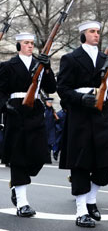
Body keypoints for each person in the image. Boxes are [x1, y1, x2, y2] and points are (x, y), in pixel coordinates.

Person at [57, 21, 108, 228]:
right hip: (80, 115)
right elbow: (62, 88)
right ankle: (81, 210)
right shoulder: (70, 58)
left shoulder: (106, 58)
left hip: (101, 114)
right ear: (83, 35)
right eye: (92, 32)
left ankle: (91, 198)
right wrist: (79, 99)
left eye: (97, 32)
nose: (96, 35)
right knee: (81, 163)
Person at [0, 32, 56, 217]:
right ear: (18, 46)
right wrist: (4, 105)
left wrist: (47, 68)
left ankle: (18, 187)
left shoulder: (39, 64)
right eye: (26, 43)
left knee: (39, 155)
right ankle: (22, 201)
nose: (30, 46)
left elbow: (51, 88)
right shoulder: (8, 66)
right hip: (16, 110)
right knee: (18, 158)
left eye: (32, 43)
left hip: (35, 110)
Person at [44, 97, 58, 163]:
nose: (50, 103)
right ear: (46, 103)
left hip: (51, 129)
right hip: (45, 129)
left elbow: (57, 119)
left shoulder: (52, 110)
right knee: (46, 145)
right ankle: (47, 159)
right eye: (49, 102)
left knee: (51, 144)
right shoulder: (44, 110)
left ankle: (52, 155)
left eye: (51, 102)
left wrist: (55, 115)